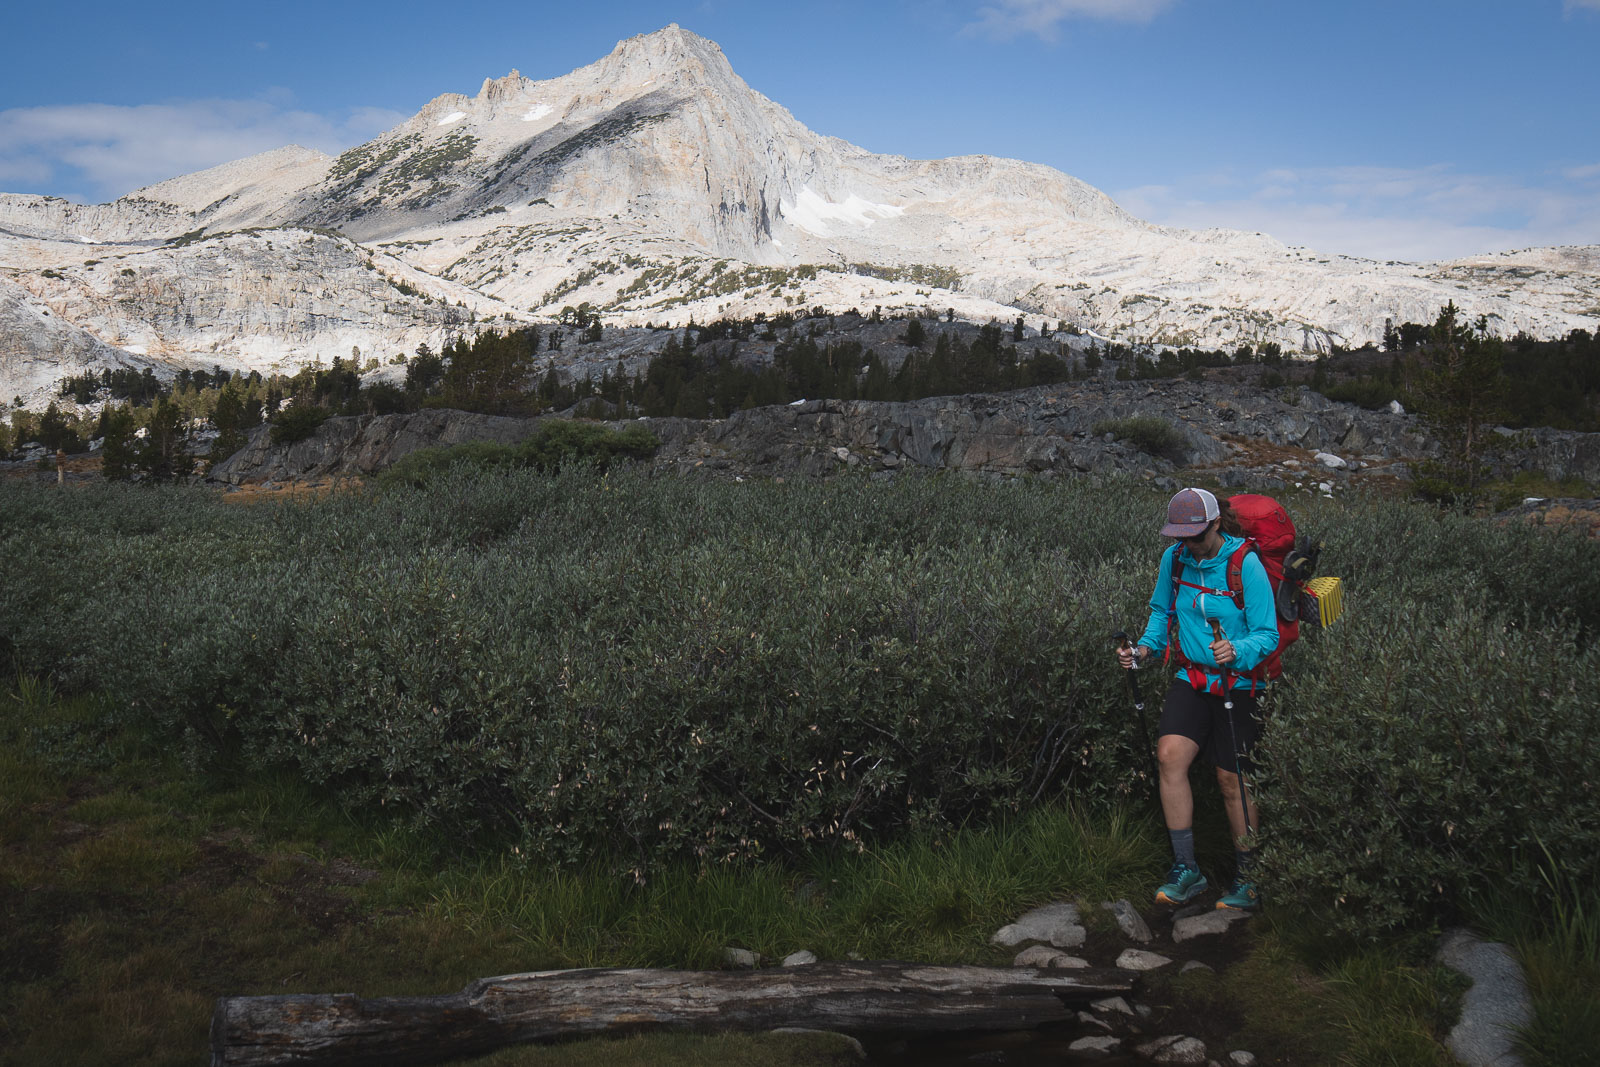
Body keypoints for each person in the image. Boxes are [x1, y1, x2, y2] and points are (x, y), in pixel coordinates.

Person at [1116, 487, 1279, 910]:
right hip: (1192, 678)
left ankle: (1249, 877)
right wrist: (1144, 650)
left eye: (1194, 536)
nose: (1186, 544)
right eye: (1179, 537)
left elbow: (1268, 634)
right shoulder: (1174, 560)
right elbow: (1160, 612)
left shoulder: (1247, 565)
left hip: (1241, 686)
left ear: (1216, 524)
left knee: (1232, 780)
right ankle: (1187, 869)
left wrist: (1237, 651)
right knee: (1170, 756)